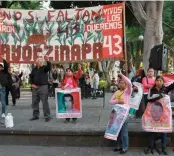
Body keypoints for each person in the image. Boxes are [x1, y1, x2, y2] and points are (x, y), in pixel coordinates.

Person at [144, 75, 174, 155]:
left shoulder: (165, 89)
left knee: (163, 131)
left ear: (163, 82)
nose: (159, 82)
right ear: (155, 81)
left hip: (163, 115)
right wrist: (159, 96)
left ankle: (164, 148)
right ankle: (150, 146)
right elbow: (148, 99)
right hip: (153, 114)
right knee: (152, 130)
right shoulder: (152, 89)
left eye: (161, 81)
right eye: (158, 80)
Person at [109, 71, 132, 154]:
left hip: (124, 114)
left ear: (126, 85)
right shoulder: (116, 92)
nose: (121, 84)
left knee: (124, 132)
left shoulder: (128, 92)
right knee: (117, 131)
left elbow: (129, 83)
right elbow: (110, 101)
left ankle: (125, 147)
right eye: (120, 83)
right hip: (116, 113)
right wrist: (118, 101)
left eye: (123, 83)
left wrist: (122, 75)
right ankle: (119, 146)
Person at [29, 56, 51, 122]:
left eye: (42, 61)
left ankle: (47, 116)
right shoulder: (34, 69)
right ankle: (35, 116)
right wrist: (32, 84)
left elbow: (49, 67)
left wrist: (48, 60)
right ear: (37, 62)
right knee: (34, 102)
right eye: (40, 60)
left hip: (43, 87)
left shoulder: (44, 68)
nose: (41, 61)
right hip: (35, 87)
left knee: (45, 102)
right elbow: (31, 77)